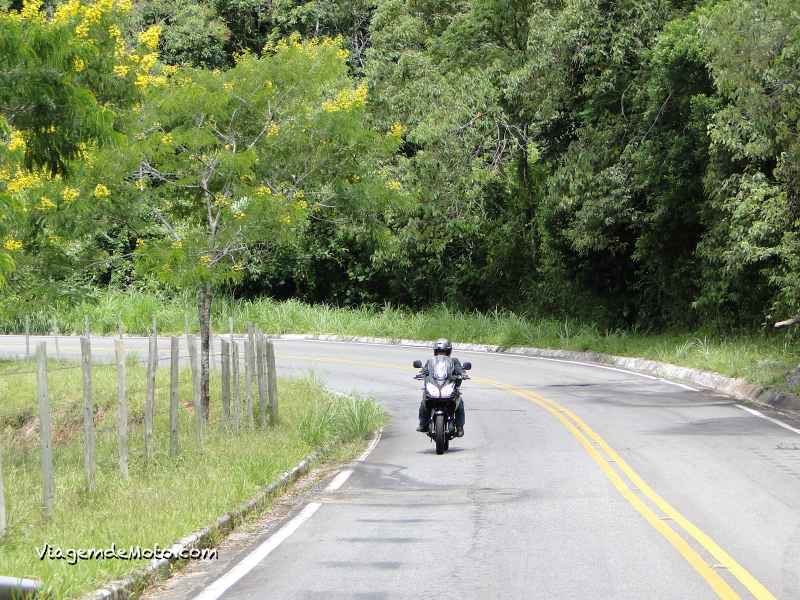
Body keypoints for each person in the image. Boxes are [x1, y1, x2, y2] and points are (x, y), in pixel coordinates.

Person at [416, 338, 466, 437]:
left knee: (459, 403)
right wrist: (421, 373)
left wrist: (462, 374)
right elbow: (425, 371)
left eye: (443, 351)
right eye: (439, 351)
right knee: (424, 402)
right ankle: (423, 424)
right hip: (435, 386)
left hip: (449, 387)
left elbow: (460, 370)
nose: (441, 354)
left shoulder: (454, 361)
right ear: (435, 352)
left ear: (448, 352)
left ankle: (460, 427)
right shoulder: (430, 362)